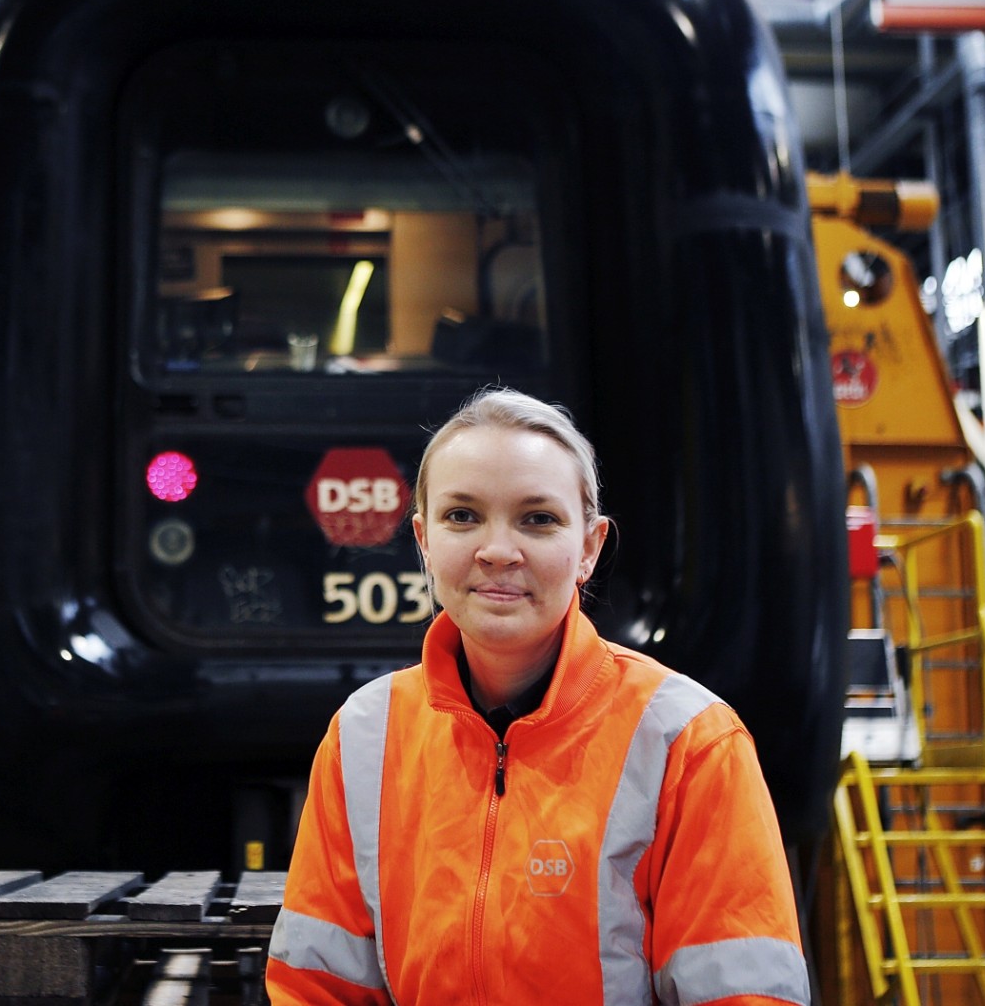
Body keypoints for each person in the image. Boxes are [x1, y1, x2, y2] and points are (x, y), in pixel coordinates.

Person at [266, 388, 809, 1005]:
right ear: (423, 540)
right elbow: (314, 989)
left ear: (589, 548)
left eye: (538, 519)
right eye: (462, 516)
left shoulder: (690, 742)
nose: (497, 551)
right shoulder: (363, 736)